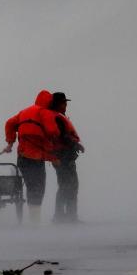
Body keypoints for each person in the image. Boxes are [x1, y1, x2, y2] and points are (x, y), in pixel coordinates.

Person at [4, 90, 60, 223]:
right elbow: (52, 131)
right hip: (36, 158)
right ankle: (35, 222)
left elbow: (9, 123)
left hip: (22, 157)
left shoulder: (24, 112)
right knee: (38, 187)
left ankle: (33, 219)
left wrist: (10, 143)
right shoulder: (45, 113)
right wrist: (55, 155)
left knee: (31, 186)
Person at [49, 92, 84, 223]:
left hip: (61, 156)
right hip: (64, 156)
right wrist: (76, 145)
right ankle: (67, 217)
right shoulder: (57, 118)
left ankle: (63, 216)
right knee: (70, 185)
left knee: (65, 185)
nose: (66, 105)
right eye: (64, 103)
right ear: (57, 104)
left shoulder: (56, 117)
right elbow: (63, 136)